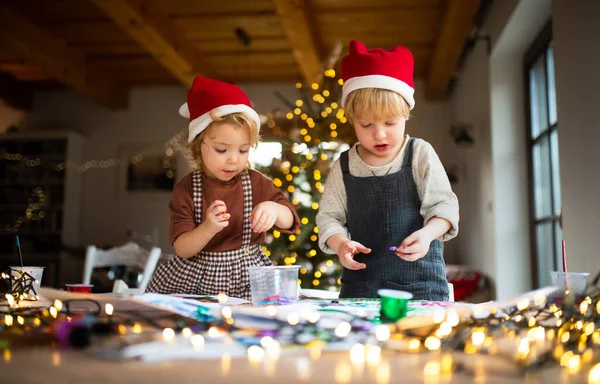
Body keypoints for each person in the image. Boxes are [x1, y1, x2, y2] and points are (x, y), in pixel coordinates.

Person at [316, 40, 459, 301]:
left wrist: (427, 235)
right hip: (361, 290)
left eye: (390, 122)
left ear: (406, 114)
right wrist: (340, 243)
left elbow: (445, 208)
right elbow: (328, 218)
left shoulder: (419, 153)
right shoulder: (345, 165)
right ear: (352, 120)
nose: (379, 134)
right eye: (366, 124)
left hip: (422, 288)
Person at [147, 76, 300, 299]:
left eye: (243, 150)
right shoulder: (187, 189)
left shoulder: (257, 183)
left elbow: (291, 221)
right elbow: (183, 249)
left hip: (248, 278)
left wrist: (274, 210)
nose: (233, 160)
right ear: (198, 146)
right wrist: (208, 227)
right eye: (222, 150)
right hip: (195, 280)